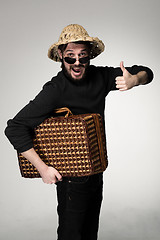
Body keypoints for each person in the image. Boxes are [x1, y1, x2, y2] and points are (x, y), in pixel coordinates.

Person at [5, 24, 154, 240]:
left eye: (82, 57)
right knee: (71, 234)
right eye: (70, 57)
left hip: (96, 170)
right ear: (60, 56)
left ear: (89, 56)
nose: (77, 63)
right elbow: (14, 127)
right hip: (71, 178)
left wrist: (134, 80)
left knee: (89, 233)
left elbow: (147, 72)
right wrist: (43, 168)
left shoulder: (100, 77)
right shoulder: (55, 89)